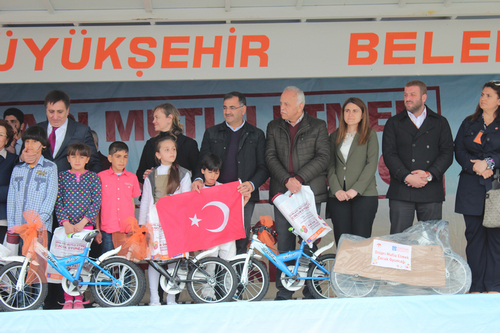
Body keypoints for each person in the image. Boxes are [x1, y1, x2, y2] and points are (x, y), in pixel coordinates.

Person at [265, 86, 330, 300]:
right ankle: (285, 290)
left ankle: (312, 289)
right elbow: (270, 157)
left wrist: (299, 179)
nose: (281, 108)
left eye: (286, 104)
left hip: (308, 192)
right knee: (284, 241)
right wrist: (286, 180)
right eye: (281, 103)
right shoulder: (273, 126)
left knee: (309, 242)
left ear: (300, 106)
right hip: (283, 194)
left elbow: (323, 157)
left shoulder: (318, 126)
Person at [192, 91, 268, 254]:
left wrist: (252, 184)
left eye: (232, 107)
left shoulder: (257, 134)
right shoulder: (212, 132)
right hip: (215, 194)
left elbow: (264, 167)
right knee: (214, 238)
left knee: (240, 238)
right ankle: (215, 278)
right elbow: (201, 162)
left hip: (243, 194)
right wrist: (198, 178)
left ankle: (236, 278)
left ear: (243, 109)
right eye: (225, 107)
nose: (227, 111)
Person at [382, 80, 453, 234]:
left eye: (413, 94)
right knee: (399, 242)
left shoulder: (440, 122)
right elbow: (389, 154)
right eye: (406, 94)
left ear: (424, 97)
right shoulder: (393, 123)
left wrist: (429, 174)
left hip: (430, 190)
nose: (408, 98)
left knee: (430, 242)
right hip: (401, 190)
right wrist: (406, 176)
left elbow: (447, 153)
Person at [455, 80, 500, 293]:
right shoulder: (469, 123)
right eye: (482, 94)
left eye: (489, 95)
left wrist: (489, 163)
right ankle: (475, 286)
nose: (483, 98)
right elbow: (459, 151)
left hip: (495, 188)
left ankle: (494, 286)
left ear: (499, 101)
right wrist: (476, 168)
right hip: (471, 187)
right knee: (474, 237)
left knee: (496, 239)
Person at [138, 135, 192, 306]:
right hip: (154, 224)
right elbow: (146, 202)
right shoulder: (151, 176)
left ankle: (171, 298)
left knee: (173, 262)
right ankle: (154, 298)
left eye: (173, 149)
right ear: (158, 154)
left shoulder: (183, 174)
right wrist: (142, 227)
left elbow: (186, 201)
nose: (171, 152)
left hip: (175, 224)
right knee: (154, 261)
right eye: (166, 149)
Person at [55, 143, 101, 309]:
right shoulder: (62, 177)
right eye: (73, 156)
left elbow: (96, 202)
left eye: (82, 156)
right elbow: (58, 201)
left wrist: (83, 222)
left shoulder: (93, 178)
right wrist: (66, 222)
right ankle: (68, 298)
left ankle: (79, 297)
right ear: (68, 159)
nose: (77, 159)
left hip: (85, 228)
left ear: (87, 159)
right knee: (68, 263)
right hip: (66, 228)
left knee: (82, 263)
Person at [327, 97, 379, 246]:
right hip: (338, 197)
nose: (350, 114)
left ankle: (358, 271)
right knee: (343, 242)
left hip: (364, 196)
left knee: (360, 243)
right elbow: (330, 166)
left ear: (363, 114)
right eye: (347, 110)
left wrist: (355, 190)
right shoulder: (334, 136)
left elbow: (371, 165)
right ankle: (343, 270)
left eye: (355, 111)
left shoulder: (370, 135)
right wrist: (336, 190)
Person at [23, 90, 100, 175]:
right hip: (39, 184)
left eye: (60, 112)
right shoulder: (35, 130)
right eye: (51, 111)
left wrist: (90, 184)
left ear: (67, 110)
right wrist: (22, 157)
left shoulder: (82, 131)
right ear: (46, 110)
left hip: (71, 186)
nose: (55, 117)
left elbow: (94, 163)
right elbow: (19, 162)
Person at [6, 126, 58, 247]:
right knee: (18, 263)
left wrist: (37, 222)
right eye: (27, 141)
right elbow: (11, 198)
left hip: (40, 228)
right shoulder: (18, 169)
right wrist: (11, 225)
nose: (30, 144)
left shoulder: (50, 167)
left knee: (37, 264)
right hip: (19, 227)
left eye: (35, 141)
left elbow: (50, 197)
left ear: (43, 145)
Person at [136, 102, 198, 182]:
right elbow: (140, 173)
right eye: (154, 118)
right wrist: (144, 175)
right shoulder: (150, 144)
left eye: (157, 117)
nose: (153, 121)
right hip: (156, 193)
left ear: (169, 118)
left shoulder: (188, 143)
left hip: (182, 193)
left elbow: (198, 173)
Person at [97, 141, 141, 254]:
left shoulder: (132, 178)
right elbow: (97, 206)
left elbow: (131, 202)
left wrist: (134, 226)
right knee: (108, 262)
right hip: (108, 228)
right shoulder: (100, 177)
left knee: (126, 263)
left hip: (127, 229)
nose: (122, 160)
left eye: (125, 157)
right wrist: (97, 229)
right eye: (118, 156)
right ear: (110, 158)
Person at [0, 119, 18, 243]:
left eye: (0, 134)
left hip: (2, 218)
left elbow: (14, 190)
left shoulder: (13, 160)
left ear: (7, 140)